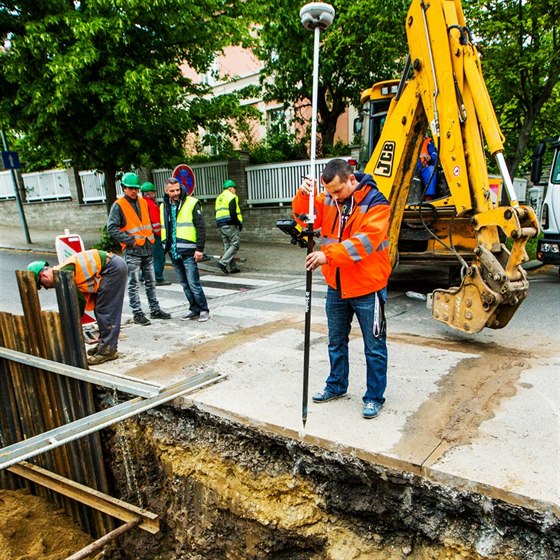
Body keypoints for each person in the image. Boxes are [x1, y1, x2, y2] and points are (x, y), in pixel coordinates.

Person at [292, 158, 391, 419]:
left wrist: (328, 256)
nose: (333, 197)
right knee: (336, 341)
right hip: (337, 285)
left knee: (374, 346)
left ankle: (374, 397)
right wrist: (304, 195)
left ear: (351, 179)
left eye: (337, 191)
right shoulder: (327, 199)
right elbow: (305, 221)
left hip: (368, 286)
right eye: (328, 192)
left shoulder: (377, 203)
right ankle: (336, 386)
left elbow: (365, 242)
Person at [27, 250, 128, 365]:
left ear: (43, 275)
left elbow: (78, 300)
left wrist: (74, 321)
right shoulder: (62, 271)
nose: (46, 288)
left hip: (112, 269)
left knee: (106, 310)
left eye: (42, 284)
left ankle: (108, 351)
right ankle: (104, 344)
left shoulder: (64, 273)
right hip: (110, 267)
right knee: (99, 309)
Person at [107, 172, 171, 326]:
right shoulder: (118, 205)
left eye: (135, 188)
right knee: (133, 283)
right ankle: (137, 313)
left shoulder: (143, 203)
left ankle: (155, 310)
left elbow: (146, 223)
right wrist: (130, 241)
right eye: (130, 188)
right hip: (133, 251)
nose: (133, 191)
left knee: (151, 281)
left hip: (147, 248)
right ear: (123, 188)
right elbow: (112, 228)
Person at [160, 177, 210, 322]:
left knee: (193, 283)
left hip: (188, 251)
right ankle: (193, 309)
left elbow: (201, 227)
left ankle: (203, 309)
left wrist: (199, 249)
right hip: (173, 251)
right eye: (172, 191)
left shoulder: (191, 203)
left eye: (177, 189)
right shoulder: (164, 206)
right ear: (166, 191)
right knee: (184, 284)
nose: (176, 193)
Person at [140, 181, 170, 286]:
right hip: (153, 235)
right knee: (159, 257)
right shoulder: (151, 204)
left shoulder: (139, 203)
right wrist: (160, 235)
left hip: (142, 236)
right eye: (153, 192)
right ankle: (158, 278)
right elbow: (156, 221)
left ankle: (142, 276)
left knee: (146, 257)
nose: (154, 194)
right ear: (150, 193)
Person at [215, 179, 243, 274]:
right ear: (230, 188)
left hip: (220, 224)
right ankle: (223, 262)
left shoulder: (219, 197)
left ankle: (233, 267)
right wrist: (238, 223)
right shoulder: (232, 196)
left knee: (227, 245)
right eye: (235, 188)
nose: (235, 190)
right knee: (235, 243)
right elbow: (232, 212)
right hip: (230, 223)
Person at [416, 136, 438, 200]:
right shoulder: (406, 141)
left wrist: (430, 157)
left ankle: (428, 197)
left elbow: (434, 154)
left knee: (431, 169)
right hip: (410, 168)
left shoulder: (428, 143)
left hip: (424, 168)